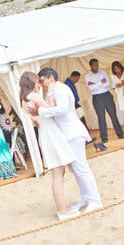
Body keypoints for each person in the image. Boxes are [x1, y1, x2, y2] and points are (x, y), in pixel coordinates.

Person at [26, 68, 103, 213]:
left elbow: (62, 109)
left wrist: (40, 112)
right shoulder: (53, 91)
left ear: (51, 78)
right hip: (65, 135)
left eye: (42, 80)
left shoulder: (61, 89)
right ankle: (86, 198)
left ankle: (95, 200)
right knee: (74, 169)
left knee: (81, 168)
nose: (41, 84)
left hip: (73, 132)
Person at [20, 72, 79, 220]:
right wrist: (51, 93)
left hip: (44, 132)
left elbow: (35, 119)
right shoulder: (34, 96)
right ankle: (62, 210)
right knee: (57, 173)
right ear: (32, 83)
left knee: (58, 172)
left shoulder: (23, 100)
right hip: (50, 133)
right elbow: (52, 110)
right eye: (37, 82)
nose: (39, 84)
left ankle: (62, 208)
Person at [85, 58, 124, 147]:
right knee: (101, 118)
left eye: (97, 64)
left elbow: (107, 84)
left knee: (113, 115)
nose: (96, 66)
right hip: (97, 98)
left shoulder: (103, 73)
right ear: (90, 66)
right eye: (94, 65)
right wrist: (100, 82)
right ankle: (104, 138)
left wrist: (95, 84)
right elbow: (91, 88)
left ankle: (120, 134)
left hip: (107, 95)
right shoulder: (87, 76)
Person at [63, 71, 96, 144]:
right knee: (81, 121)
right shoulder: (67, 85)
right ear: (73, 77)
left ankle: (87, 138)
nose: (77, 81)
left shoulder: (69, 83)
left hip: (75, 105)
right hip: (73, 105)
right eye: (77, 79)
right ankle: (86, 138)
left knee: (82, 120)